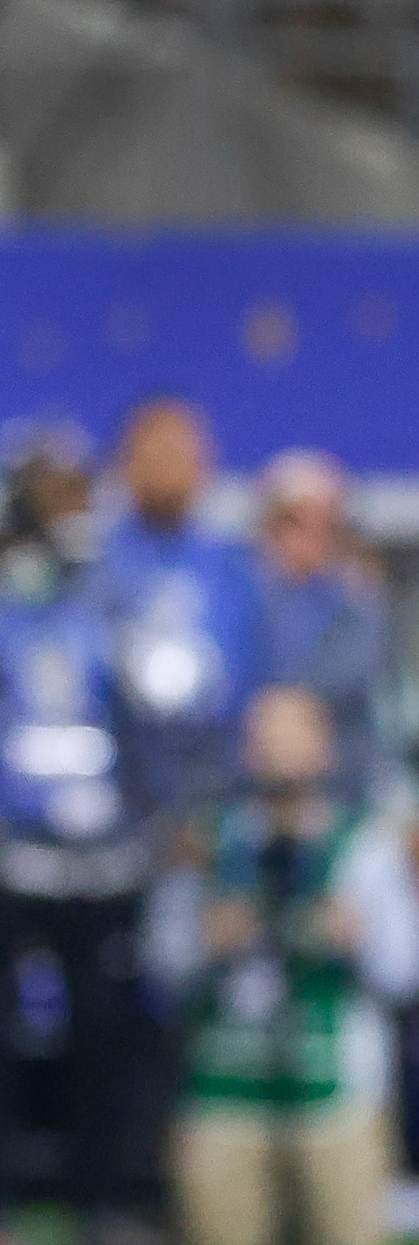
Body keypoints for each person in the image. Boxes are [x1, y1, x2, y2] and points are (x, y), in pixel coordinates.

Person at [170, 686, 419, 1245]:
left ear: (325, 750)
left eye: (295, 737)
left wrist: (358, 937)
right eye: (266, 739)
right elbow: (160, 966)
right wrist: (206, 940)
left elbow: (412, 971)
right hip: (227, 1088)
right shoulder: (210, 843)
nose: (279, 753)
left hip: (334, 1093)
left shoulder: (363, 848)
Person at [0, 434, 173, 1245]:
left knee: (107, 1035)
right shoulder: (11, 595)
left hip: (104, 860)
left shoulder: (112, 594)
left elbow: (156, 707)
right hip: (15, 853)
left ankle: (100, 1200)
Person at [97, 398, 259, 822]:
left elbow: (254, 672)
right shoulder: (98, 564)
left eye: (182, 456)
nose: (169, 470)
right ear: (125, 464)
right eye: (155, 456)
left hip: (215, 786)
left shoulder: (232, 566)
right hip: (120, 787)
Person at [250, 451, 391, 806]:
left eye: (325, 525)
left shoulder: (357, 601)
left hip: (344, 793)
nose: (310, 539)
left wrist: (288, 702)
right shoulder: (241, 595)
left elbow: (353, 672)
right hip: (249, 794)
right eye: (294, 523)